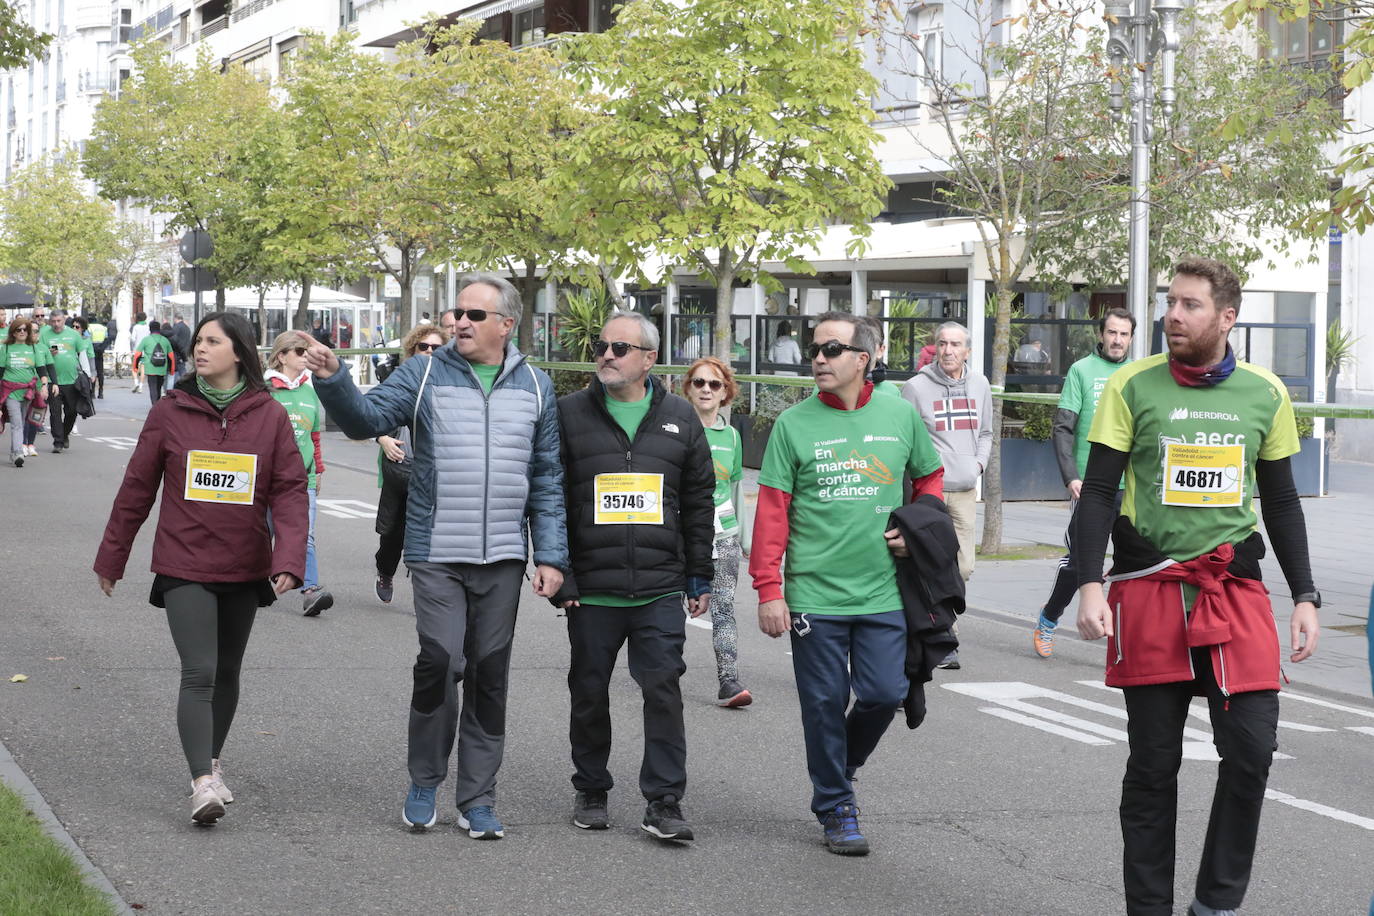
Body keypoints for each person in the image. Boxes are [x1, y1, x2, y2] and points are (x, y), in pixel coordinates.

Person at [1073, 257, 1320, 916]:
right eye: (1170, 303)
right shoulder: (1132, 385)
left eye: (1189, 305)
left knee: (1252, 751)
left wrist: (1304, 593)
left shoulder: (1265, 393)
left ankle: (1215, 903)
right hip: (1151, 590)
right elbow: (1097, 492)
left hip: (1232, 592)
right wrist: (1087, 585)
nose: (1173, 316)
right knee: (1153, 768)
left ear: (1227, 317)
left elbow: (1283, 500)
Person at [305, 274, 568, 841]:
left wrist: (550, 554)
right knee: (441, 662)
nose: (461, 322)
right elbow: (366, 420)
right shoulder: (424, 372)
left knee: (489, 675)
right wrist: (333, 380)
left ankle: (477, 800)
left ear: (506, 324)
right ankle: (425, 780)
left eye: (475, 314)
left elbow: (547, 477)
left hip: (501, 557)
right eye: (457, 312)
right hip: (435, 552)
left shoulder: (537, 388)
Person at [93, 311, 309, 825]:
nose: (200, 349)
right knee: (200, 670)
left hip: (244, 562)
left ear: (241, 351)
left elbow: (290, 491)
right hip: (183, 560)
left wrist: (289, 559)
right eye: (200, 341)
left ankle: (211, 761)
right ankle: (202, 783)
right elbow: (137, 488)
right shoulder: (170, 411)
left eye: (213, 341)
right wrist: (112, 556)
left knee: (228, 671)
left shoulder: (269, 415)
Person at [750, 312, 945, 856]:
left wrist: (917, 526)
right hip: (814, 594)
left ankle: (843, 763)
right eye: (815, 349)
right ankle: (836, 803)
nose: (818, 358)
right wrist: (770, 589)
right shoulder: (793, 424)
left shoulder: (900, 416)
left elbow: (930, 477)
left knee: (885, 692)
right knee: (824, 702)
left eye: (831, 349)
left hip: (883, 591)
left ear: (865, 358)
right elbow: (771, 514)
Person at [554, 310, 714, 842]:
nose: (606, 355)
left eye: (619, 349)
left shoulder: (681, 418)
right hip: (592, 589)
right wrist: (561, 571)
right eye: (602, 346)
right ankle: (592, 787)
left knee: (664, 689)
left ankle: (665, 802)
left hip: (660, 586)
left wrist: (699, 575)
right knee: (589, 690)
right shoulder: (569, 414)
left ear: (648, 359)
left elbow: (697, 502)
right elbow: (550, 497)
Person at [1032, 307, 1135, 658]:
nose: (1117, 340)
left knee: (1131, 564)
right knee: (1079, 562)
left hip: (1132, 488)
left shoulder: (1139, 374)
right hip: (1092, 486)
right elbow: (1063, 427)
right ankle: (1049, 618)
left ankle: (1123, 639)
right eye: (1112, 332)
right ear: (1101, 335)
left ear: (1131, 338)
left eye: (1123, 334)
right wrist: (1071, 476)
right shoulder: (1082, 371)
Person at [902, 321, 993, 669]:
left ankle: (938, 627)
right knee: (932, 564)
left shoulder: (980, 385)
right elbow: (905, 438)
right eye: (942, 344)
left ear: (967, 351)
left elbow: (986, 432)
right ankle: (944, 637)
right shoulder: (915, 388)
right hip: (930, 492)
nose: (949, 350)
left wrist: (978, 466)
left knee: (964, 567)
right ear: (935, 348)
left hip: (966, 488)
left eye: (956, 344)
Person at [686, 356, 752, 708]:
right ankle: (662, 670)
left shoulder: (732, 436)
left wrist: (746, 540)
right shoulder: (678, 429)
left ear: (725, 391)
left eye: (714, 384)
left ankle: (729, 680)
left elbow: (737, 488)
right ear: (689, 389)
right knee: (668, 606)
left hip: (723, 535)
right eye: (699, 383)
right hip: (682, 537)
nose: (707, 389)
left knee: (724, 608)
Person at [372, 324, 450, 604]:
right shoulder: (400, 380)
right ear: (412, 350)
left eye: (436, 348)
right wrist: (384, 440)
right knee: (393, 533)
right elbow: (373, 416)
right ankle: (385, 571)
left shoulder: (449, 385)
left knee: (428, 535)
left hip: (432, 474)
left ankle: (425, 593)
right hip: (400, 468)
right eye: (423, 347)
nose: (429, 352)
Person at [265, 331, 333, 617]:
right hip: (265, 479)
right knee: (259, 533)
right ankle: (242, 584)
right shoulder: (265, 389)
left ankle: (310, 590)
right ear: (282, 356)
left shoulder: (309, 389)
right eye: (300, 352)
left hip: (301, 480)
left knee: (305, 535)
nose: (306, 357)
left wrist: (317, 472)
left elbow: (313, 436)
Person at [38, 308, 93, 454]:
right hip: (52, 380)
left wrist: (88, 374)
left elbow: (82, 354)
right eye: (53, 321)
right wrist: (48, 353)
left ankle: (64, 434)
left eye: (59, 321)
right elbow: (39, 355)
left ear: (64, 320)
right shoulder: (44, 334)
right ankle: (58, 442)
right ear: (49, 322)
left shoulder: (73, 334)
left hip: (71, 379)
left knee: (72, 411)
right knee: (55, 412)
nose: (56, 324)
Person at [1, 316, 54, 467]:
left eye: (25, 329)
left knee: (22, 421)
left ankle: (14, 452)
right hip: (11, 391)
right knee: (17, 423)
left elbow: (41, 369)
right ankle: (18, 453)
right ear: (13, 332)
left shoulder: (33, 348)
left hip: (28, 392)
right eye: (19, 329)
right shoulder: (6, 348)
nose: (22, 332)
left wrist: (44, 385)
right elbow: (0, 370)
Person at [134, 320, 176, 405]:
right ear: (159, 329)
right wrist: (172, 369)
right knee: (158, 387)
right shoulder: (165, 340)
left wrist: (135, 367)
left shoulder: (146, 340)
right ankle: (157, 405)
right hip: (162, 368)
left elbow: (137, 354)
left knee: (153, 387)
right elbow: (171, 356)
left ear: (150, 329)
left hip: (150, 368)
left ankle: (154, 405)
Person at [166, 313, 192, 388]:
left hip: (177, 353)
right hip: (185, 352)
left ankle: (174, 389)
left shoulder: (177, 327)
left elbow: (173, 339)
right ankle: (186, 386)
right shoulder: (187, 328)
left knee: (174, 373)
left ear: (175, 318)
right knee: (182, 371)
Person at [88, 314, 110, 399]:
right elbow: (106, 338)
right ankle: (101, 392)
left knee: (93, 371)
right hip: (100, 350)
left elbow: (87, 338)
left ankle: (92, 392)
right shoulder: (103, 327)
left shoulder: (89, 327)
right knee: (100, 372)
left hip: (92, 350)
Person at [129, 311, 149, 393]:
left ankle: (136, 383)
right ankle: (141, 386)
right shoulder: (148, 327)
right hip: (145, 351)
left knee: (134, 368)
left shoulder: (136, 327)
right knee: (143, 369)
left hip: (137, 350)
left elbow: (133, 339)